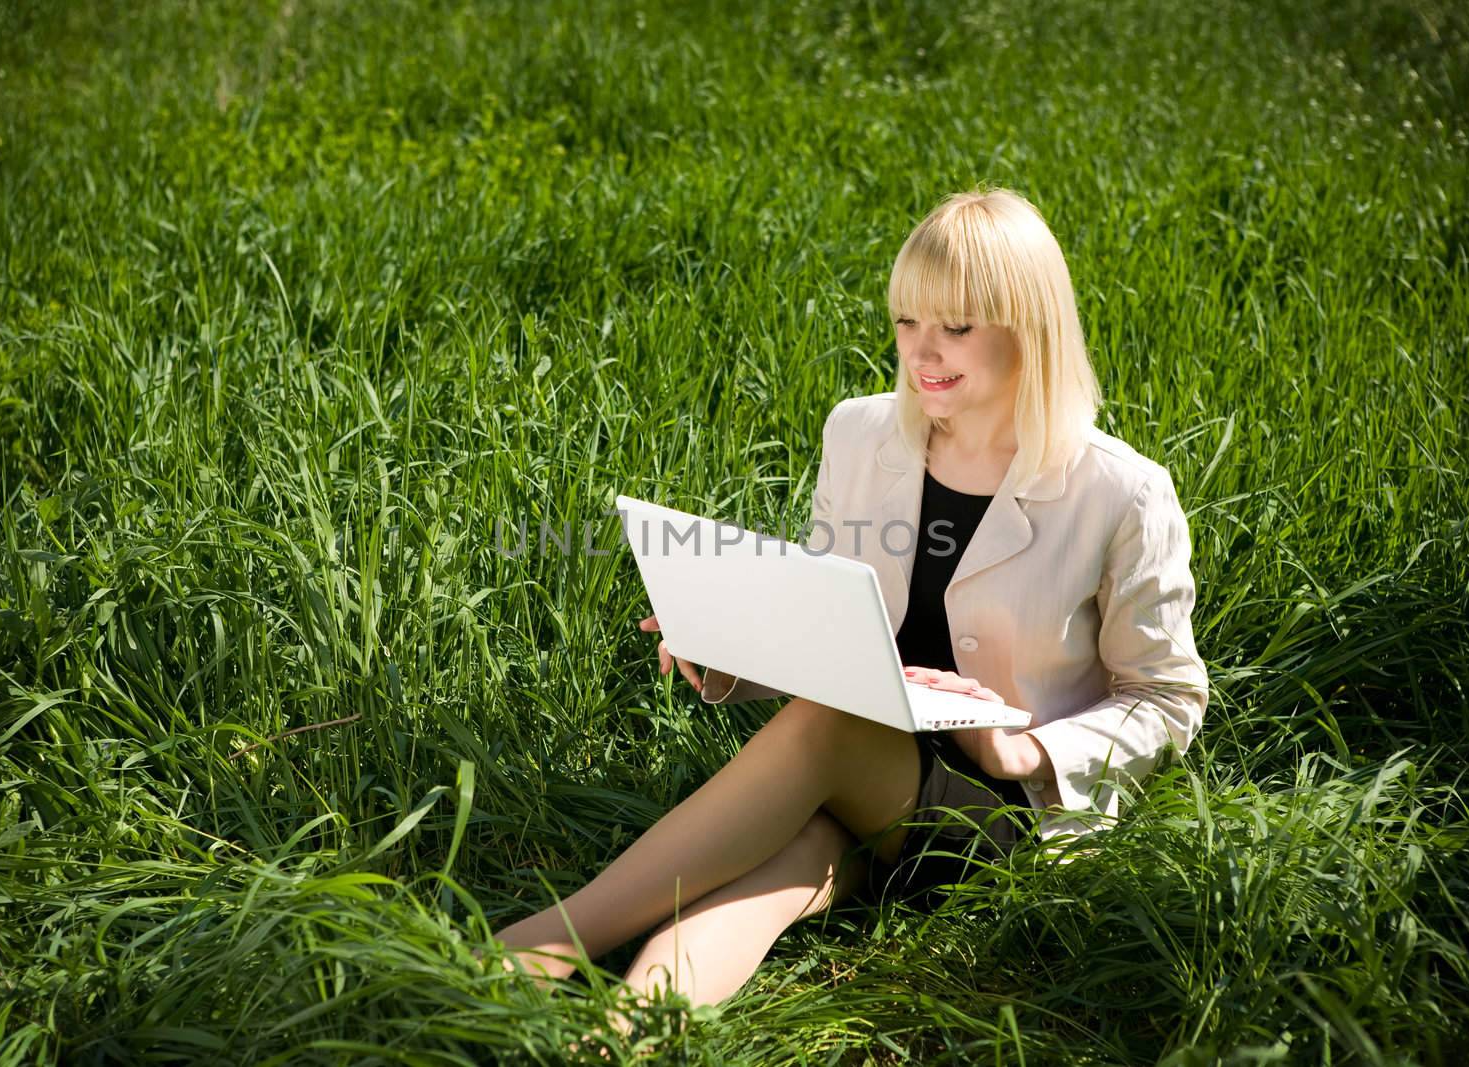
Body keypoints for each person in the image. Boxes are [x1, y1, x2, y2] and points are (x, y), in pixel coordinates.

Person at [489, 187, 1211, 1031]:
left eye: (957, 327)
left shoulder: (1121, 491)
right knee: (773, 874)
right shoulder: (862, 434)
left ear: (1030, 327)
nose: (922, 350)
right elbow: (834, 621)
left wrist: (1027, 751)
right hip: (873, 783)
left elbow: (1168, 697)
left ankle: (539, 943)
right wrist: (724, 646)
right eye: (907, 321)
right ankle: (622, 1041)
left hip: (1005, 819)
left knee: (824, 726)